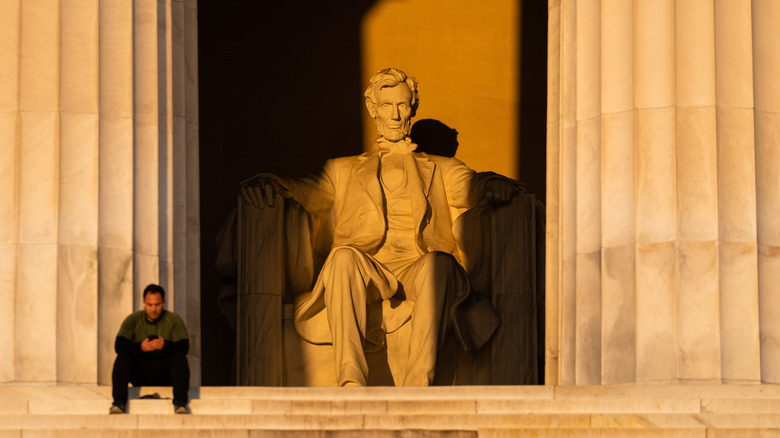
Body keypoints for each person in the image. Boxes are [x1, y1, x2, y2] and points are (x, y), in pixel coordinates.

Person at [241, 67, 519, 386]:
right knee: (343, 257)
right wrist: (277, 185)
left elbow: (471, 184)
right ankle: (351, 381)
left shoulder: (443, 168)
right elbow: (308, 190)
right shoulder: (341, 170)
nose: (396, 115)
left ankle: (419, 385)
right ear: (373, 110)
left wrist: (492, 185)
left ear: (412, 108)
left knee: (440, 264)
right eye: (387, 106)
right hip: (368, 269)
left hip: (419, 268)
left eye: (403, 105)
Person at [110, 284, 190, 414]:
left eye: (157, 305)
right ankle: (119, 403)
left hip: (165, 373)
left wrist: (165, 345)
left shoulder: (173, 320)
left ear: (164, 302)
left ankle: (180, 403)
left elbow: (184, 347)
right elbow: (119, 345)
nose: (153, 309)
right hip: (140, 373)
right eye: (149, 305)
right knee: (123, 357)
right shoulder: (133, 320)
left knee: (179, 357)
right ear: (143, 302)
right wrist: (140, 347)